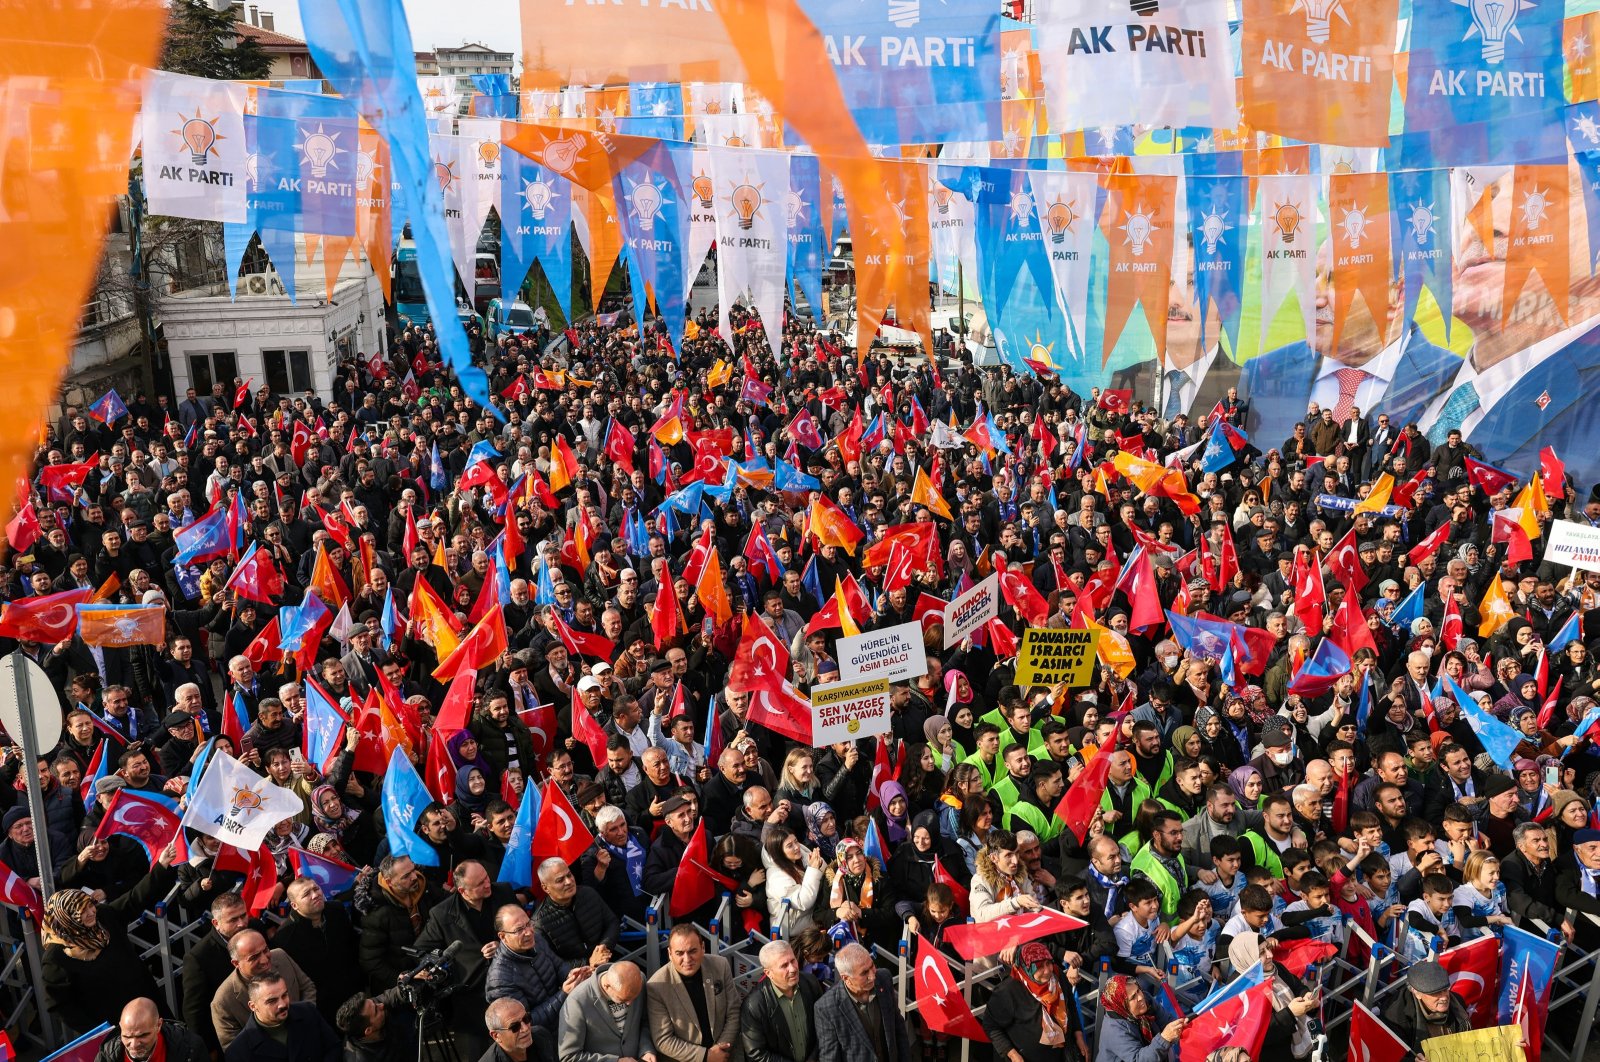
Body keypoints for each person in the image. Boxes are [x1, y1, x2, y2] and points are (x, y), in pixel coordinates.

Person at [486, 903, 594, 1062]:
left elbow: (558, 965)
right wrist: (564, 993)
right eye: (519, 930)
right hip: (541, 1043)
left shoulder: (537, 939)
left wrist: (572, 975)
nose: (529, 932)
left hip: (567, 1018)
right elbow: (525, 1023)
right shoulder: (500, 978)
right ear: (502, 936)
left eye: (529, 924)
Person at [645, 925, 742, 1062]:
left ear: (703, 948)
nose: (687, 959)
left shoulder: (720, 965)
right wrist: (705, 1056)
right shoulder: (656, 986)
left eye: (692, 951)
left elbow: (734, 1012)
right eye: (679, 953)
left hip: (725, 1054)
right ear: (669, 954)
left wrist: (720, 1049)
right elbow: (663, 1040)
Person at [210, 928, 318, 1050]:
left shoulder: (281, 956)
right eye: (254, 957)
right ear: (236, 963)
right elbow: (234, 1049)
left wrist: (304, 1021)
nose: (264, 960)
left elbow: (307, 987)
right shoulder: (222, 1002)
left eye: (266, 950)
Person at [981, 943, 1087, 1062]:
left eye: (1048, 963)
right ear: (1027, 968)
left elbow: (1070, 1004)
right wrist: (1012, 1054)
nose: (1047, 971)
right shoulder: (1008, 991)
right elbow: (991, 1025)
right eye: (1039, 966)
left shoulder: (1057, 975)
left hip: (1059, 1055)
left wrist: (1078, 1036)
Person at [814, 943, 910, 1062]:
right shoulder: (826, 1008)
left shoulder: (884, 978)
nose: (872, 976)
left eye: (872, 966)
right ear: (845, 978)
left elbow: (898, 1026)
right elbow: (830, 1058)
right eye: (864, 973)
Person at [223, 974, 340, 1062]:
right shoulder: (238, 1052)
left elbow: (334, 1047)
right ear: (253, 1006)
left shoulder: (307, 1012)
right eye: (272, 1001)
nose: (282, 1004)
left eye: (284, 995)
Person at [740, 941, 824, 1062]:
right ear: (768, 973)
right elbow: (756, 1054)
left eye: (793, 960)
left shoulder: (811, 983)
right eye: (784, 965)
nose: (793, 969)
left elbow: (824, 1027)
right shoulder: (754, 1005)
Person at [556, 962, 657, 1062]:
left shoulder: (639, 981)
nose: (630, 1003)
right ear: (607, 986)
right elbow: (569, 1057)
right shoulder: (577, 1002)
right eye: (623, 999)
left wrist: (646, 1049)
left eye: (633, 998)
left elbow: (645, 1022)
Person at [1380, 959, 1471, 1059]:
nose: (1444, 997)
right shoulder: (1396, 1016)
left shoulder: (1457, 1003)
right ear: (1417, 993)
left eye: (1445, 989)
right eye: (1436, 993)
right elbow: (1391, 1056)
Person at [1094, 974, 1185, 1062]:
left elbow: (1166, 1020)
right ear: (1121, 1005)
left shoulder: (1146, 1000)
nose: (1140, 997)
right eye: (1133, 997)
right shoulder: (1114, 1029)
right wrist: (1164, 1039)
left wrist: (1180, 1025)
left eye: (1138, 990)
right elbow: (1137, 1059)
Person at [92, 997, 208, 1062]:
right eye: (127, 1037)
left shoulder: (190, 1047)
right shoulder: (107, 1055)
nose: (134, 1044)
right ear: (121, 1027)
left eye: (142, 1036)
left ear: (158, 1025)